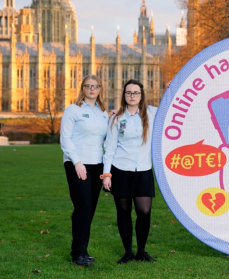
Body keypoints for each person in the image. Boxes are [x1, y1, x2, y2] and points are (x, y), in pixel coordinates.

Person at [101, 79, 158, 264]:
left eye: (135, 93)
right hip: (120, 170)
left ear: (141, 95)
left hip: (143, 169)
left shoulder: (151, 113)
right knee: (123, 211)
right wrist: (107, 175)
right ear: (124, 95)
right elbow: (109, 148)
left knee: (144, 211)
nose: (132, 96)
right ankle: (128, 252)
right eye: (128, 93)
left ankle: (141, 251)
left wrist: (172, 87)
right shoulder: (117, 118)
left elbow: (171, 107)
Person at [60, 75, 109, 266]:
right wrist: (77, 162)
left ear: (100, 89)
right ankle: (77, 253)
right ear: (83, 88)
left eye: (95, 86)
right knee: (83, 206)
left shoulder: (103, 113)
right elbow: (65, 139)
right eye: (88, 86)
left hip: (97, 163)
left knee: (90, 209)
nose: (92, 89)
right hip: (77, 163)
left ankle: (83, 250)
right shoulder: (73, 110)